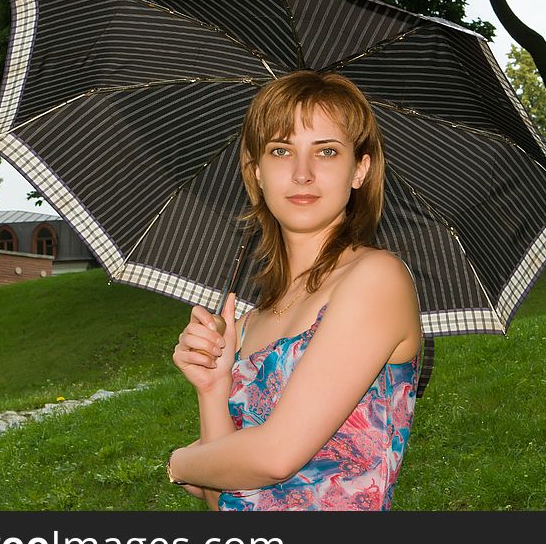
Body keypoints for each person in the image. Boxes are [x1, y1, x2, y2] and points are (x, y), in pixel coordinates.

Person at [168, 70, 422, 511]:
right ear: (256, 171)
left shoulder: (375, 279)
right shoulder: (247, 324)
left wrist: (179, 463)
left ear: (359, 169)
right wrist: (212, 387)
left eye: (326, 151)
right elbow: (227, 501)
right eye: (281, 151)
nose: (302, 173)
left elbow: (274, 457)